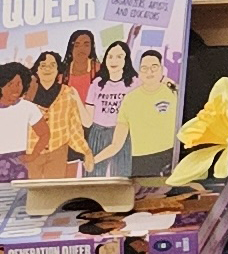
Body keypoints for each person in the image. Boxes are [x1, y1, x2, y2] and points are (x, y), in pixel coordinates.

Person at [109, 49, 179, 177]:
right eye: (144, 68)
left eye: (154, 67)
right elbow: (117, 142)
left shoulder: (173, 92)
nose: (149, 72)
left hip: (171, 154)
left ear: (162, 69)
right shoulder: (130, 98)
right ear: (139, 72)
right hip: (141, 159)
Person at [27, 49, 93, 178]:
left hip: (58, 153)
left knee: (55, 188)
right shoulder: (26, 94)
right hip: (31, 152)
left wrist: (86, 151)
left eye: (52, 65)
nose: (47, 69)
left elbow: (74, 127)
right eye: (43, 65)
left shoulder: (67, 93)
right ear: (37, 70)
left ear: (58, 70)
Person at [84, 40, 133, 178]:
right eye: (110, 56)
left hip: (122, 133)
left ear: (126, 60)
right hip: (98, 133)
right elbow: (87, 121)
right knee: (93, 177)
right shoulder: (97, 84)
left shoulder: (134, 82)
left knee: (121, 176)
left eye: (119, 56)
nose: (113, 60)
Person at [0, 64, 34, 183]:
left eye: (19, 84)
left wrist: (33, 155)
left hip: (18, 164)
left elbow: (44, 133)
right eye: (10, 84)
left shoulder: (27, 107)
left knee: (19, 194)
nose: (15, 88)